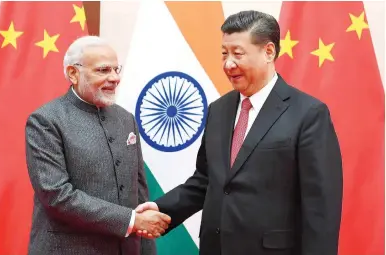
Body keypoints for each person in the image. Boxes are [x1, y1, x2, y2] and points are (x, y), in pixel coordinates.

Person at [136, 10, 343, 255]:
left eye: (237, 53)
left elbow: (321, 208)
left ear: (268, 52)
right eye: (224, 53)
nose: (228, 63)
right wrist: (161, 210)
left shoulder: (308, 114)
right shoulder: (219, 110)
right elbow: (206, 181)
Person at [25, 35, 170, 255]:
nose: (115, 78)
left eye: (116, 69)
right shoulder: (46, 120)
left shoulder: (125, 118)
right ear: (73, 73)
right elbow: (56, 196)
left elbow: (138, 190)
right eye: (103, 70)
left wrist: (146, 246)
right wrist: (132, 221)